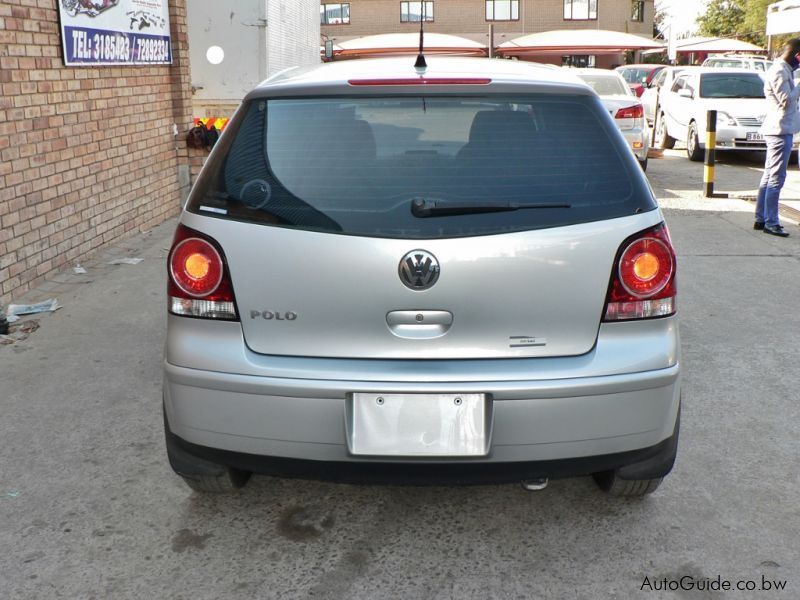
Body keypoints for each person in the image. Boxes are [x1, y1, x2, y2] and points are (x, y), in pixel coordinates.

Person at [756, 38, 800, 237]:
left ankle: (761, 217)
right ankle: (771, 222)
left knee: (768, 176)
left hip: (779, 129)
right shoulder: (780, 70)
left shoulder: (782, 69)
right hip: (780, 131)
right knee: (776, 178)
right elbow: (786, 100)